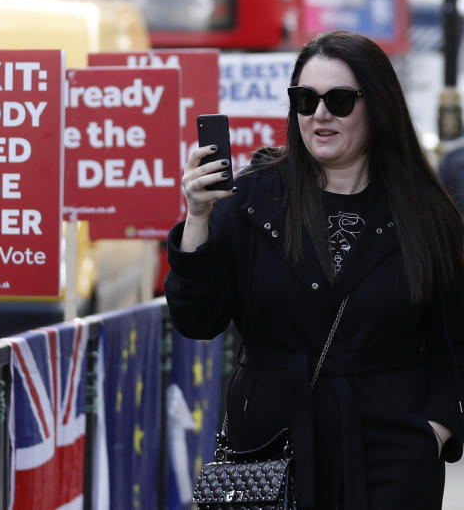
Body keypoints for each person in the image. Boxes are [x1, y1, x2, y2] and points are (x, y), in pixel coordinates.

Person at [164, 30, 464, 509]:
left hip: (388, 460)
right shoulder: (252, 198)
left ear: (378, 106)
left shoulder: (425, 214)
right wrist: (197, 219)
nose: (319, 114)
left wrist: (433, 432)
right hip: (268, 452)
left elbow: (455, 345)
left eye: (339, 100)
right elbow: (197, 321)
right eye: (305, 99)